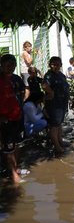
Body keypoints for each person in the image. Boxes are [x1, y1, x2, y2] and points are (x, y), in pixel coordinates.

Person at [0, 54, 26, 183]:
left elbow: (24, 91)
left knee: (18, 144)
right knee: (9, 147)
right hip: (6, 120)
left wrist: (21, 106)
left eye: (12, 64)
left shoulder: (17, 79)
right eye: (7, 64)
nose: (10, 67)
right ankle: (14, 175)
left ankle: (17, 168)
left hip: (18, 117)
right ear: (2, 65)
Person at [43, 56, 70, 156]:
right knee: (54, 125)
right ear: (50, 65)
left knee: (59, 124)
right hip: (54, 104)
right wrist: (51, 93)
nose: (56, 66)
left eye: (58, 64)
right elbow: (44, 85)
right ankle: (57, 147)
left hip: (61, 104)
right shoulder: (49, 75)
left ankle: (60, 141)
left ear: (61, 65)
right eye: (53, 64)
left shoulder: (61, 75)